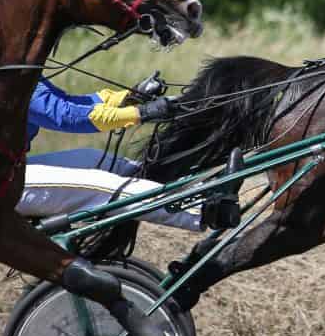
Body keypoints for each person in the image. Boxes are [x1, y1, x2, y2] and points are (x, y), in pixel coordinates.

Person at [19, 77, 201, 231]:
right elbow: (65, 116)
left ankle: (194, 185)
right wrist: (140, 113)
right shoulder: (4, 70)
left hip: (13, 166)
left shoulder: (19, 68)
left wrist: (128, 98)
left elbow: (68, 102)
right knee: (102, 186)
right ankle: (201, 209)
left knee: (98, 159)